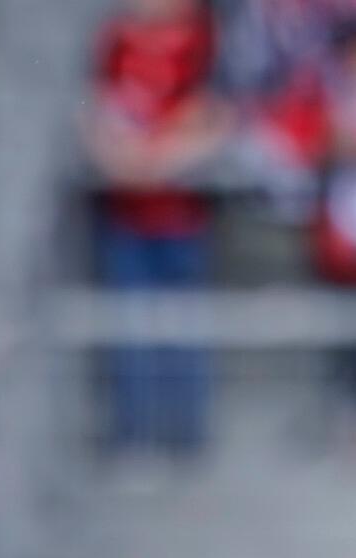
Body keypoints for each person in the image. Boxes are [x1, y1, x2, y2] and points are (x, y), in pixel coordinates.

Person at [85, 0, 231, 459]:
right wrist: (121, 161)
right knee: (128, 328)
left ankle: (184, 436)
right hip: (125, 215)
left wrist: (160, 162)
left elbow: (216, 117)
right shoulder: (116, 41)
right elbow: (96, 112)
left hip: (182, 217)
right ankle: (134, 436)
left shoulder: (206, 41)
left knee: (182, 328)